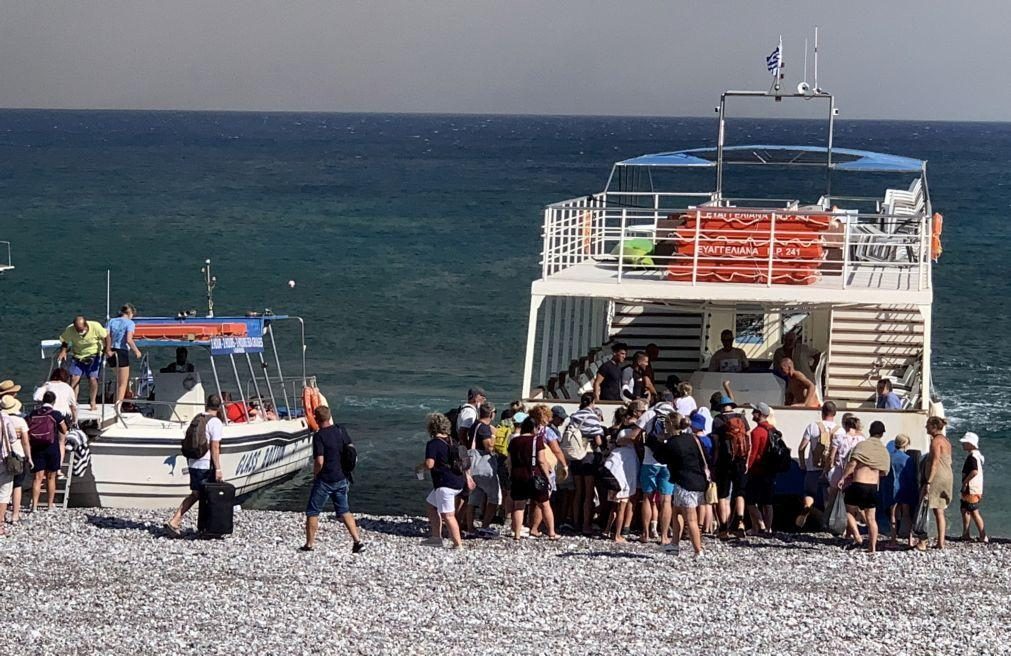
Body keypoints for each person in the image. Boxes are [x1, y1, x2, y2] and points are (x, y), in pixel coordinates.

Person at [645, 410, 710, 557]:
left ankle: (698, 550)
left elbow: (661, 458)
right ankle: (674, 544)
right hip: (699, 480)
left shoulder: (673, 443)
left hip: (685, 483)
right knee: (676, 512)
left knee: (690, 518)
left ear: (669, 425)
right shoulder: (693, 438)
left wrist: (656, 442)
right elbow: (705, 456)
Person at [301, 406, 364, 553]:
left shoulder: (319, 436)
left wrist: (315, 475)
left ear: (316, 419)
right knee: (344, 510)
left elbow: (320, 461)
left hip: (325, 479)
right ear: (329, 416)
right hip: (342, 476)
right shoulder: (340, 430)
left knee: (313, 511)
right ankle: (357, 541)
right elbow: (351, 449)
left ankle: (309, 544)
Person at [164, 394, 224, 535]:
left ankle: (202, 525)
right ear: (219, 407)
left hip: (193, 461)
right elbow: (215, 447)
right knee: (200, 494)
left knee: (199, 494)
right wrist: (218, 468)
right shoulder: (215, 422)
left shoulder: (198, 418)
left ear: (206, 404)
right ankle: (177, 520)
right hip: (204, 463)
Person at [836, 420, 890, 553]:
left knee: (848, 511)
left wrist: (843, 478)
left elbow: (852, 463)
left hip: (859, 484)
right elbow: (884, 472)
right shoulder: (883, 450)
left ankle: (858, 536)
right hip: (873, 486)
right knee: (871, 518)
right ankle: (872, 547)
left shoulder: (862, 445)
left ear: (870, 431)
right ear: (882, 434)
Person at [631, 392, 677, 545]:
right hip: (669, 463)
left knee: (647, 498)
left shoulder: (650, 413)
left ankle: (645, 534)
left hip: (650, 461)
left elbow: (634, 435)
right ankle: (664, 537)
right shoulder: (676, 415)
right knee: (666, 500)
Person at [508, 414, 557, 541]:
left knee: (519, 506)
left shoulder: (514, 441)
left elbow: (510, 461)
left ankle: (517, 534)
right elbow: (541, 460)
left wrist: (510, 474)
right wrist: (547, 477)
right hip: (534, 474)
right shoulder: (537, 440)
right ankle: (551, 533)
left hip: (517, 475)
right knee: (544, 504)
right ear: (534, 428)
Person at [795, 401, 843, 529]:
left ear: (822, 412)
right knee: (829, 496)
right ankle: (827, 524)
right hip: (832, 470)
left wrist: (803, 463)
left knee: (809, 493)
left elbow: (801, 448)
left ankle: (807, 507)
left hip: (813, 468)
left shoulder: (812, 426)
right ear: (835, 413)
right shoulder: (840, 430)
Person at [422, 413, 464, 549]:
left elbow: (430, 464)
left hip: (444, 483)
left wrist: (419, 467)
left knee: (448, 515)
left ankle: (458, 544)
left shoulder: (433, 444)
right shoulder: (453, 441)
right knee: (431, 505)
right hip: (457, 480)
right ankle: (436, 537)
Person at [567, 392, 605, 535]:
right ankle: (586, 525)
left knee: (578, 491)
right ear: (593, 401)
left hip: (575, 455)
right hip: (588, 455)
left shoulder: (575, 416)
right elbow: (598, 440)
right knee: (589, 493)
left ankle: (576, 522)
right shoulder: (592, 416)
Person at [603, 403, 642, 542]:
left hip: (612, 474)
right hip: (623, 479)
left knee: (614, 505)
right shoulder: (630, 452)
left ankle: (607, 529)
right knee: (622, 506)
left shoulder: (617, 446)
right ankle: (618, 534)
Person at [27, 391, 69, 511]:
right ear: (53, 401)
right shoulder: (55, 414)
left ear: (42, 401)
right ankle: (50, 505)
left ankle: (34, 506)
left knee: (37, 477)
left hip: (36, 447)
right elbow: (64, 429)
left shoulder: (33, 413)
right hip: (51, 447)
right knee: (51, 477)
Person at [57, 315, 109, 410]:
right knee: (74, 379)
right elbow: (65, 341)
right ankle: (73, 401)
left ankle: (92, 401)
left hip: (93, 356)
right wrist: (63, 351)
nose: (79, 332)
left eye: (80, 329)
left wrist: (107, 349)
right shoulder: (70, 329)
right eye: (77, 329)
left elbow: (106, 336)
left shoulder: (95, 326)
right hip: (78, 356)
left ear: (85, 325)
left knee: (93, 379)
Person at [466, 402, 502, 536]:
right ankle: (485, 525)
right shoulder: (485, 428)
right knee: (494, 497)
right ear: (492, 414)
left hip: (472, 466)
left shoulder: (474, 425)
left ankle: (470, 527)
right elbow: (489, 447)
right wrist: (494, 436)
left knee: (473, 499)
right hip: (484, 467)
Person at [918, 416, 953, 551]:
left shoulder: (936, 442)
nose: (925, 427)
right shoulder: (946, 441)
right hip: (947, 475)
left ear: (933, 427)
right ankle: (941, 541)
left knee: (928, 507)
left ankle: (926, 540)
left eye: (927, 425)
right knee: (940, 509)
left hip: (937, 476)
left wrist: (928, 481)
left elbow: (935, 462)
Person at [745, 402, 775, 535]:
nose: (752, 414)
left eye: (754, 412)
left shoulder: (757, 432)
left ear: (760, 414)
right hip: (770, 470)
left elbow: (754, 452)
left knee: (751, 501)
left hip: (757, 470)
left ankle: (760, 524)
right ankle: (768, 528)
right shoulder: (773, 430)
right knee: (767, 501)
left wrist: (747, 467)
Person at [1, 394, 31, 524]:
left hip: (2, 457)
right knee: (16, 485)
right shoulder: (20, 421)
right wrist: (29, 457)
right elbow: (25, 442)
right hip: (16, 456)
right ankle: (14, 515)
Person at [106, 304, 143, 407]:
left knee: (118, 380)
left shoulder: (111, 321)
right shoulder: (130, 323)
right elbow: (128, 339)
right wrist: (137, 351)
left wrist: (107, 350)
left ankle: (114, 404)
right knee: (123, 383)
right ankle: (118, 407)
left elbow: (107, 336)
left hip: (111, 351)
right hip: (121, 352)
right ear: (129, 313)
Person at [885, 434, 918, 545]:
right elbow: (911, 476)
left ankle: (893, 540)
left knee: (893, 514)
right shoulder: (908, 459)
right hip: (905, 488)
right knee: (907, 514)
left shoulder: (890, 457)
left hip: (893, 488)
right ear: (905, 444)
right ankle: (910, 539)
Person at [958, 431, 986, 543]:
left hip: (971, 488)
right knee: (965, 509)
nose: (963, 445)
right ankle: (966, 533)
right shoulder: (976, 455)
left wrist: (965, 482)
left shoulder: (972, 457)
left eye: (965, 443)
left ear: (971, 444)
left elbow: (974, 471)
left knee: (973, 511)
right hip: (973, 488)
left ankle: (983, 535)